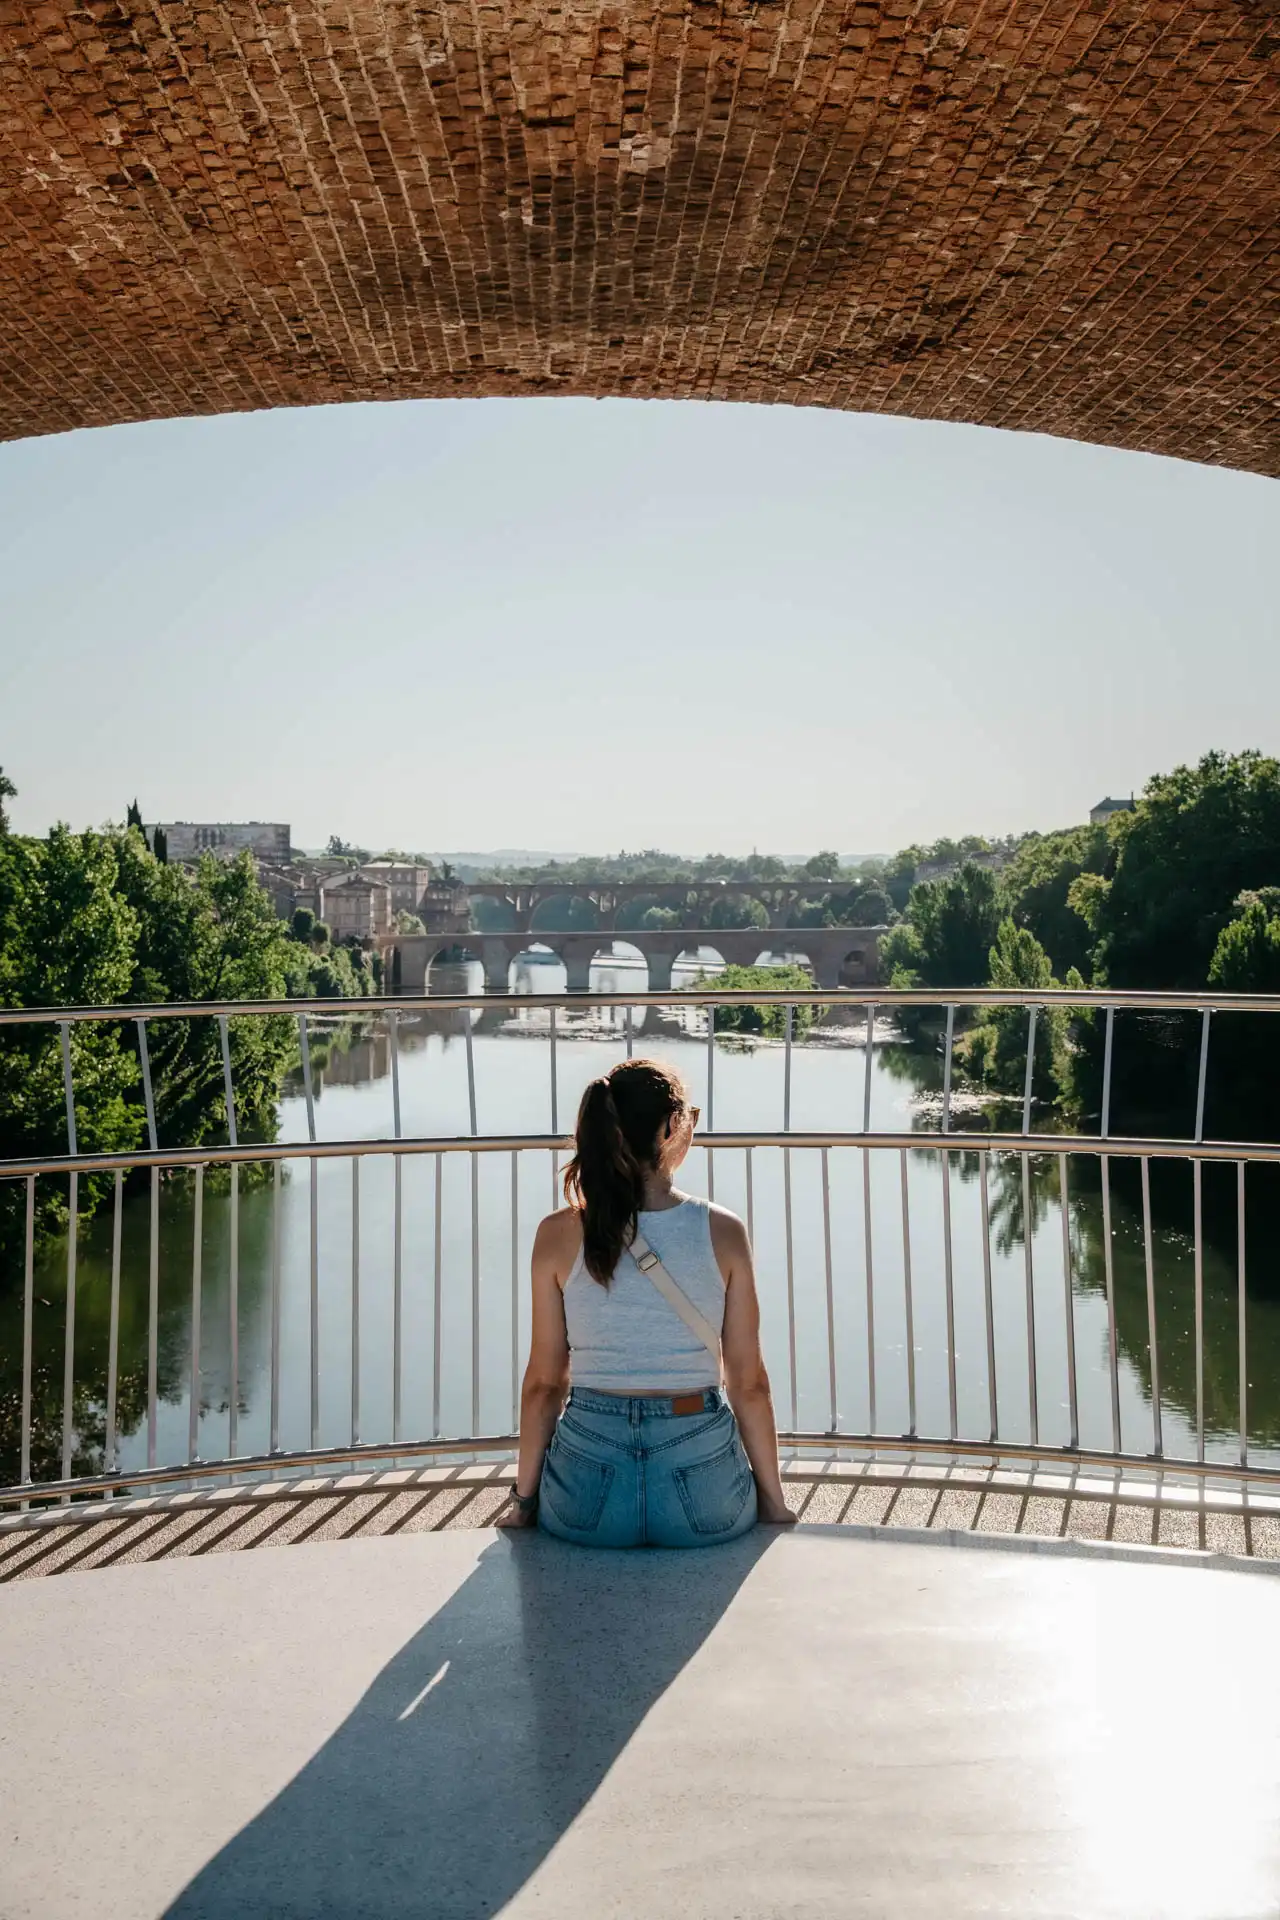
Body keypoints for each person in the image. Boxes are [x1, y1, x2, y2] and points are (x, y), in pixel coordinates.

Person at [500, 1057, 795, 1546]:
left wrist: (525, 1502)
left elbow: (545, 1386)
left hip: (587, 1493)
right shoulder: (723, 1231)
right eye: (691, 1118)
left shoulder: (558, 1235)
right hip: (702, 1490)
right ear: (673, 1126)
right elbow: (749, 1383)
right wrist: (774, 1502)